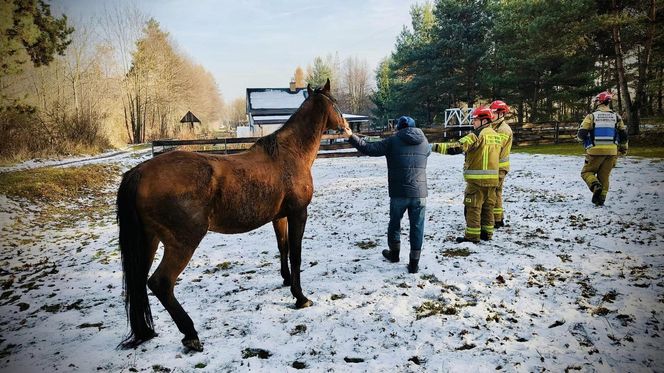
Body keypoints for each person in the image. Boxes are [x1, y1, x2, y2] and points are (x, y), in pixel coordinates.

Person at [341, 116, 430, 274]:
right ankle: (414, 263)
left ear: (399, 128)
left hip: (399, 192)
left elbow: (369, 148)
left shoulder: (393, 141)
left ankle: (394, 254)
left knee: (395, 223)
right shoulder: (424, 142)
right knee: (417, 227)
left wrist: (350, 136)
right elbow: (426, 154)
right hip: (419, 193)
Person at [430, 106, 501, 243]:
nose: (473, 122)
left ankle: (472, 236)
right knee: (488, 207)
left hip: (476, 181)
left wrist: (433, 147)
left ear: (484, 120)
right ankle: (487, 233)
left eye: (475, 119)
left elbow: (456, 147)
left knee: (473, 207)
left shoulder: (476, 135)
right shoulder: (496, 136)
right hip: (493, 180)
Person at [577, 91, 628, 206]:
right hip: (612, 152)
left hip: (595, 151)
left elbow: (582, 134)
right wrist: (623, 149)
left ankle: (595, 186)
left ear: (599, 102)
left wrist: (581, 140)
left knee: (586, 172)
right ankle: (601, 199)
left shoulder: (591, 116)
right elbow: (623, 136)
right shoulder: (617, 117)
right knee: (604, 176)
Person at [489, 100, 513, 228]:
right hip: (496, 166)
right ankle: (498, 218)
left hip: (500, 167)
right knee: (496, 192)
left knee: (495, 193)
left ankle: (497, 220)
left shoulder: (503, 129)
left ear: (501, 113)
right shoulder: (496, 127)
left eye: (494, 112)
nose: (492, 114)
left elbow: (496, 148)